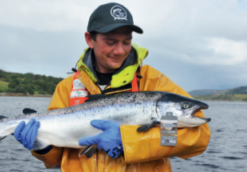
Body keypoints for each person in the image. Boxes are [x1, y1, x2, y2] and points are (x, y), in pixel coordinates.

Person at [14, 2, 211, 171]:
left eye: (127, 42)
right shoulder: (67, 88)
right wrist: (42, 148)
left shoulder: (153, 82)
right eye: (110, 42)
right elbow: (56, 159)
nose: (120, 50)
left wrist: (129, 141)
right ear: (90, 39)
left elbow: (197, 138)